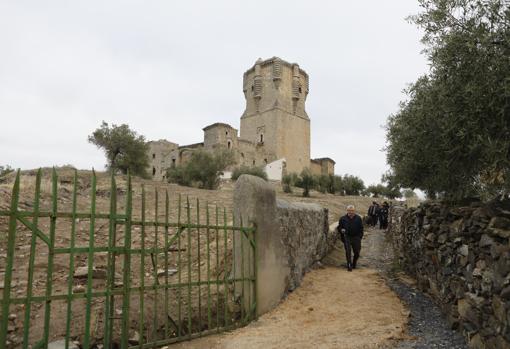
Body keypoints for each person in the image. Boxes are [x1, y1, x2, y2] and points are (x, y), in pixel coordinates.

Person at [338, 205, 364, 272]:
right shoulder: (342, 218)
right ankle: (349, 264)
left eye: (352, 210)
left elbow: (361, 228)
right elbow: (339, 227)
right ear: (347, 211)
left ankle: (354, 263)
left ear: (354, 211)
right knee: (348, 251)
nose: (350, 212)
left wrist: (359, 237)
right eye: (349, 210)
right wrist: (341, 230)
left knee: (357, 252)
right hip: (347, 237)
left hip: (356, 237)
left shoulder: (358, 218)